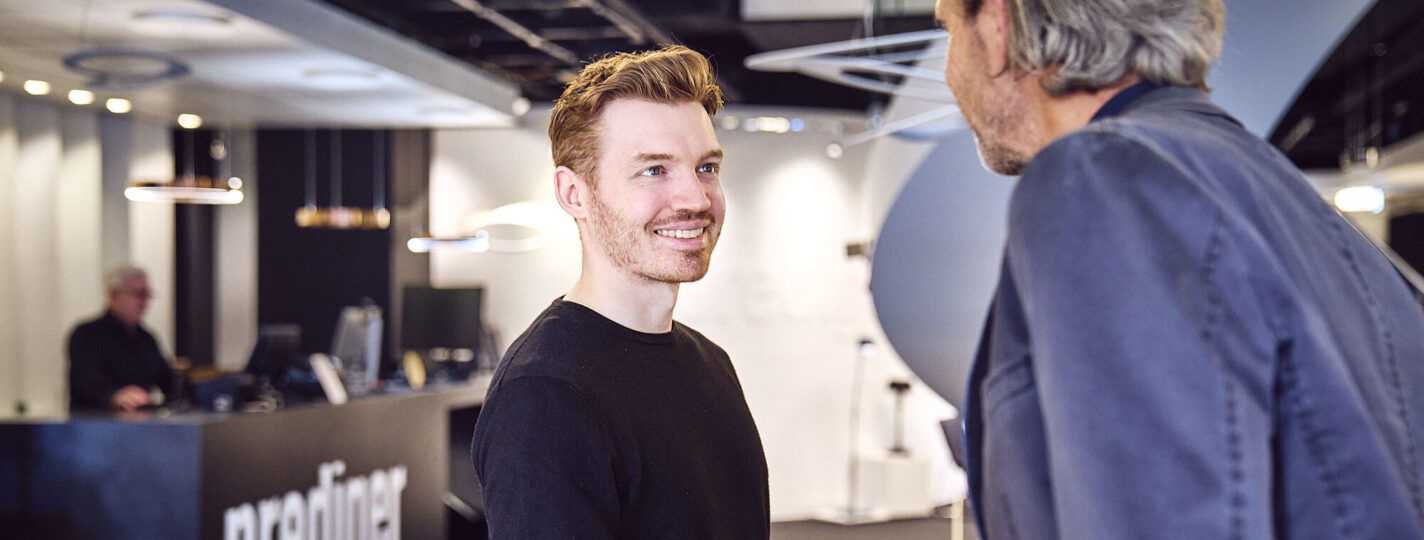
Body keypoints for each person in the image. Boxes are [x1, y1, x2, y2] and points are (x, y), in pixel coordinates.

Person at [934, 0, 1424, 538]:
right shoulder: (1281, 196)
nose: (947, 69)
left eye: (948, 27)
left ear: (1000, 25)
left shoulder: (1105, 176)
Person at [470, 45, 770, 538]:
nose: (695, 198)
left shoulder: (710, 363)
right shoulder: (545, 394)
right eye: (654, 170)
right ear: (574, 194)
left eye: (706, 167)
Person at [68, 265, 177, 412]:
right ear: (113, 295)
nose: (144, 303)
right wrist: (115, 396)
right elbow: (85, 382)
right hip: (96, 426)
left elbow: (167, 381)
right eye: (138, 294)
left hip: (139, 426)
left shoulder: (146, 339)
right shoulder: (87, 335)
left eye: (147, 295)